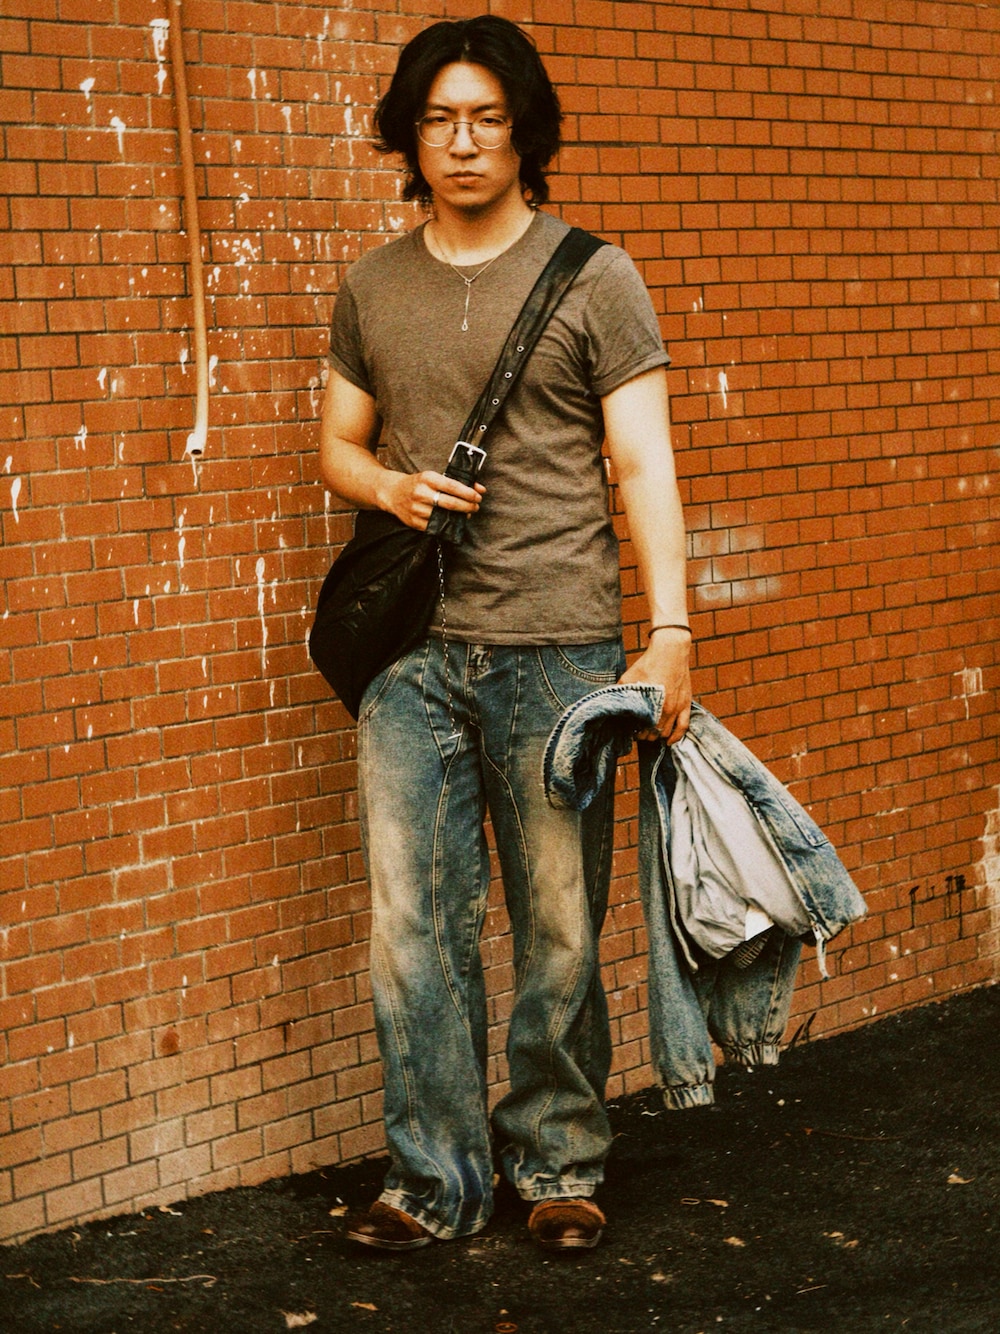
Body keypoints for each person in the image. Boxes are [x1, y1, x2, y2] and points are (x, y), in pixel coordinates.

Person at [319, 14, 692, 1252]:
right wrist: (389, 488)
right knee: (411, 928)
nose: (463, 140)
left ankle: (557, 1161)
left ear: (525, 131)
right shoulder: (374, 283)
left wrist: (670, 631)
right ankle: (432, 1180)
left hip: (557, 649)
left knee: (559, 928)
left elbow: (643, 465)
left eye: (486, 117)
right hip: (411, 657)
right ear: (408, 136)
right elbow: (337, 445)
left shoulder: (596, 276)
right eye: (438, 118)